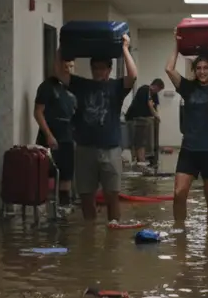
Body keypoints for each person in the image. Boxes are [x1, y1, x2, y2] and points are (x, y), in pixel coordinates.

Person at [56, 36, 137, 222]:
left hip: (110, 148)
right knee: (86, 196)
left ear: (109, 69)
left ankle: (113, 236)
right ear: (91, 69)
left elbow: (133, 75)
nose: (99, 71)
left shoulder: (116, 86)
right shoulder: (82, 85)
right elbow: (59, 72)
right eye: (95, 68)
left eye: (103, 68)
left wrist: (125, 48)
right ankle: (89, 236)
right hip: (85, 149)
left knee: (112, 196)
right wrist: (62, 46)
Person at [165, 35, 208, 223]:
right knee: (179, 194)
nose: (202, 71)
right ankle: (180, 235)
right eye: (199, 68)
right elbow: (169, 69)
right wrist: (177, 43)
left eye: (206, 68)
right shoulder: (188, 88)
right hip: (189, 149)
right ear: (195, 70)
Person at [34, 59, 78, 208]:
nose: (68, 69)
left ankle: (64, 208)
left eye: (71, 66)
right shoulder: (47, 87)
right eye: (65, 66)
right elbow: (38, 112)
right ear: (57, 67)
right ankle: (46, 208)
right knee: (46, 174)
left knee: (66, 174)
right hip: (50, 137)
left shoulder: (73, 89)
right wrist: (48, 135)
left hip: (68, 137)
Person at [125, 78, 163, 165]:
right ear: (154, 86)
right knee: (139, 140)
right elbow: (150, 106)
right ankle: (140, 160)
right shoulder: (144, 89)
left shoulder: (154, 94)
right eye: (158, 89)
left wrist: (156, 116)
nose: (157, 91)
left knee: (142, 139)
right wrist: (156, 115)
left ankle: (144, 158)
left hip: (144, 119)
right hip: (134, 118)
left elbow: (154, 108)